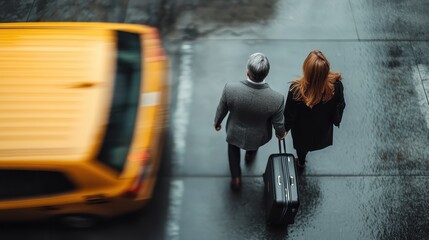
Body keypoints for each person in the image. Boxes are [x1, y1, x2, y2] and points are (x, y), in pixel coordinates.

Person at [214, 52, 286, 191]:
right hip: (258, 135)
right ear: (267, 73)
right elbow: (278, 123)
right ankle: (249, 156)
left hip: (234, 131)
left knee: (233, 149)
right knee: (253, 146)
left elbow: (222, 109)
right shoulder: (277, 99)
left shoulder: (230, 89)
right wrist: (280, 133)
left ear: (248, 71)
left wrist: (218, 121)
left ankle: (236, 178)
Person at [284, 49, 345, 168]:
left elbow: (290, 114)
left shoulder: (297, 91)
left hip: (302, 132)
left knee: (301, 149)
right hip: (322, 130)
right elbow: (341, 104)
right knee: (311, 143)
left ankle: (301, 162)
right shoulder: (335, 86)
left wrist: (284, 129)